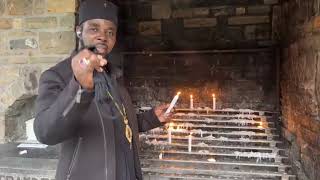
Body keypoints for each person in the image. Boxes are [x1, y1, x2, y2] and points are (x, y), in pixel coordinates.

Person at [33, 0, 171, 180]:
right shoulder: (57, 76)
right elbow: (45, 133)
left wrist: (150, 119)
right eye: (94, 28)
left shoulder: (113, 75)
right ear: (78, 31)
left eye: (110, 32)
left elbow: (115, 123)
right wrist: (79, 86)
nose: (103, 36)